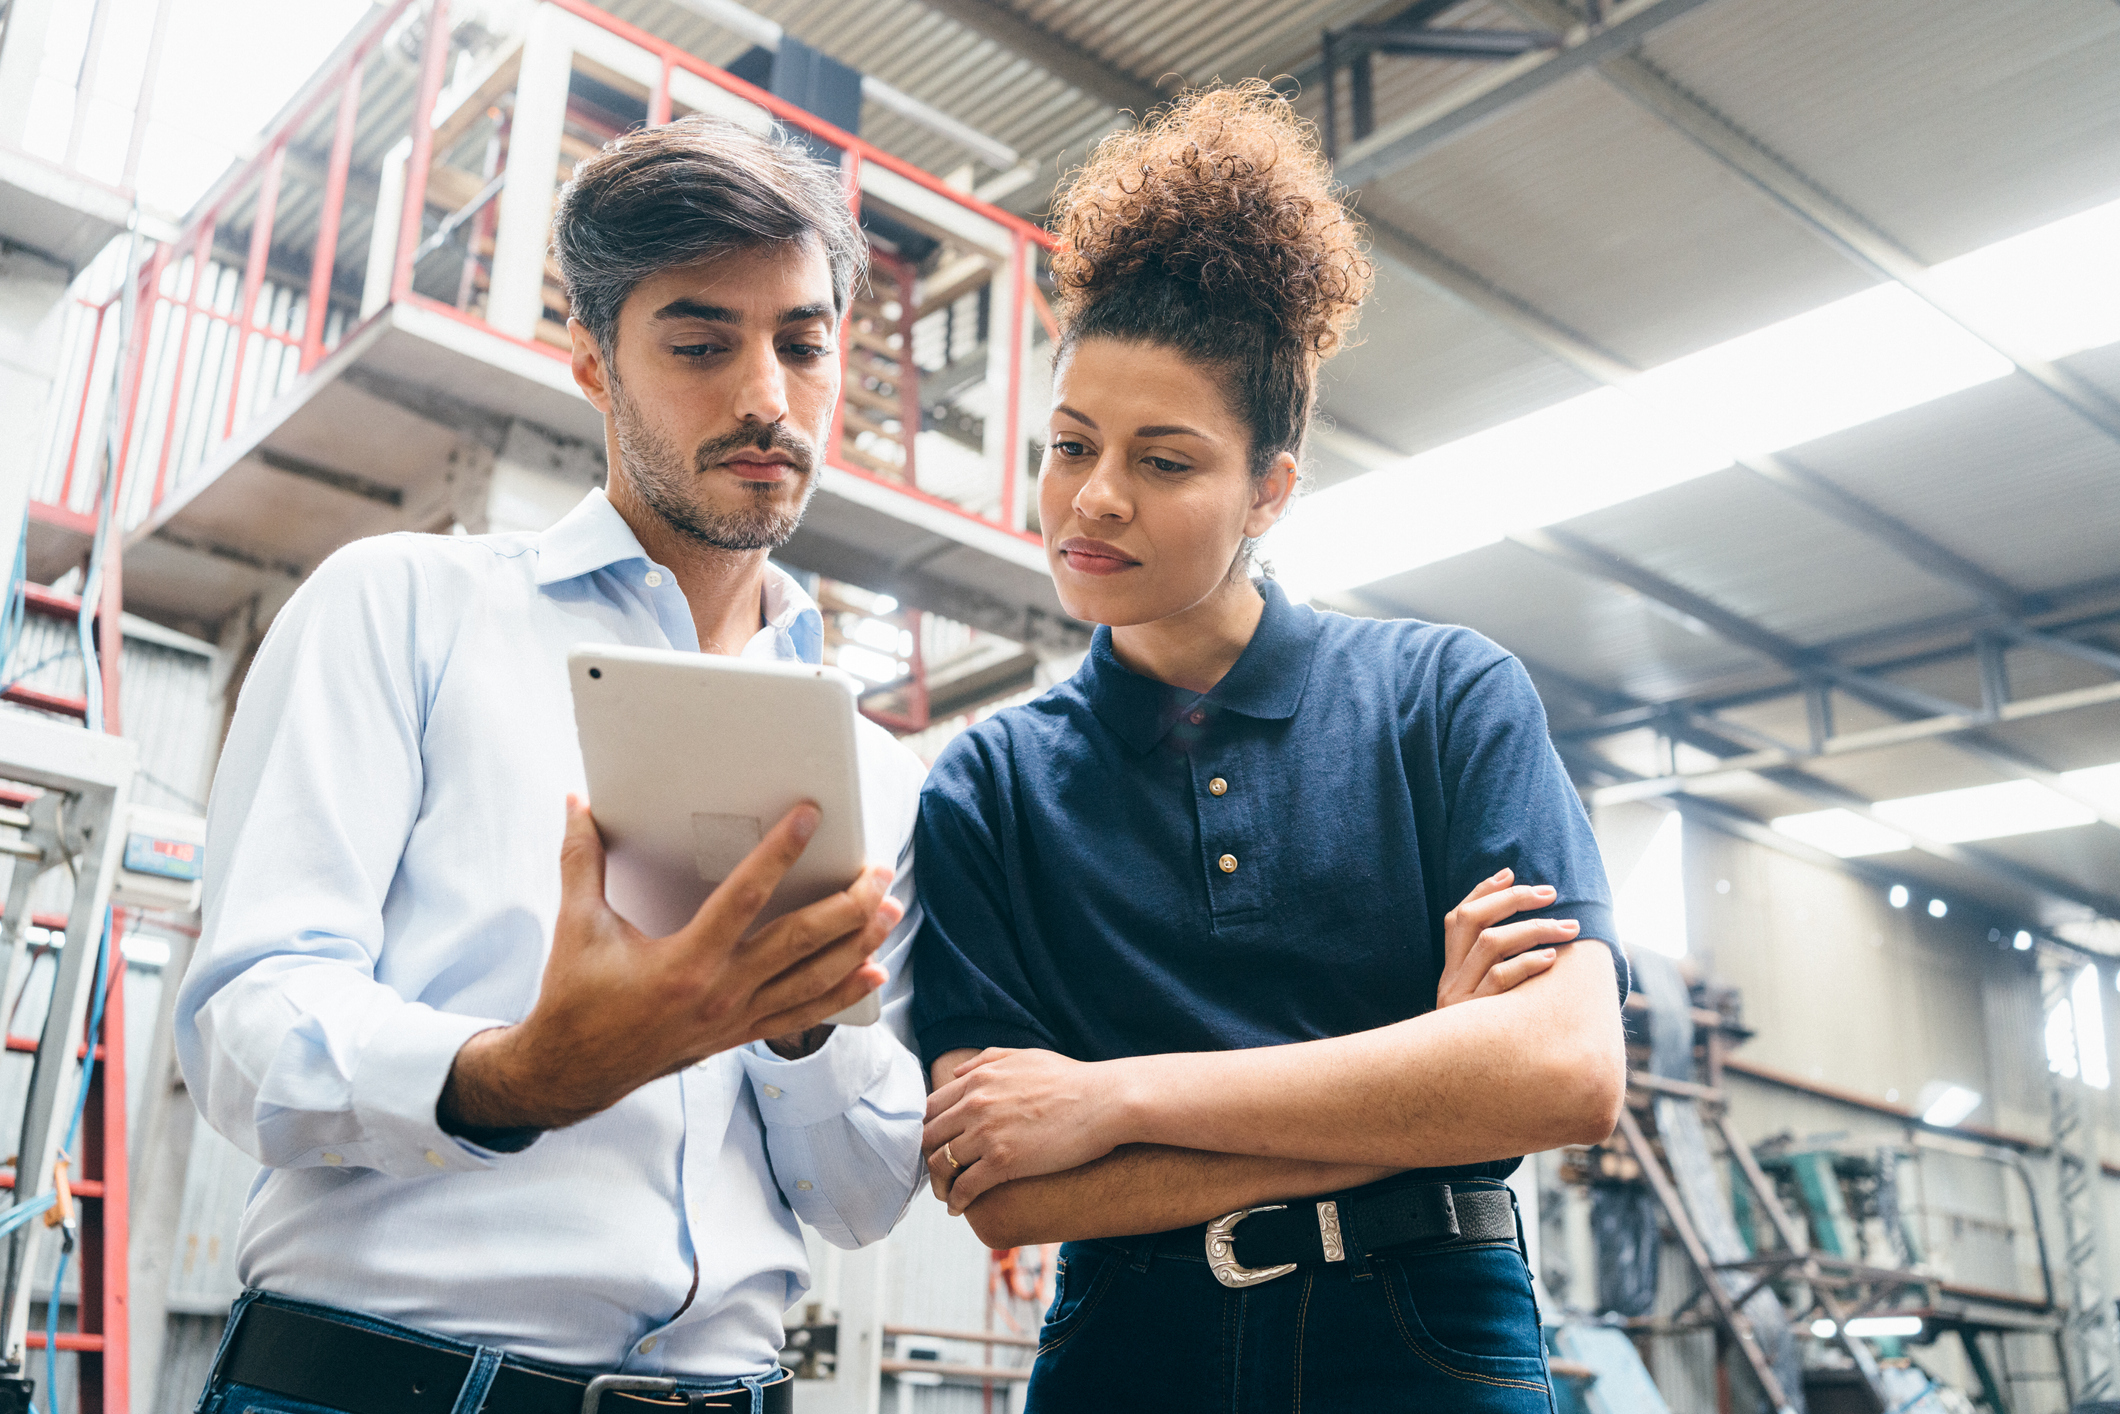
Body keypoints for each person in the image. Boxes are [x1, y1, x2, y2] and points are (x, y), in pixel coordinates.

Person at [176, 116, 926, 1414]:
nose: (766, 398)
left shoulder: (874, 769)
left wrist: (803, 1029)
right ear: (589, 355)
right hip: (381, 1387)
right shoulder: (404, 608)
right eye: (701, 343)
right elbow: (246, 1032)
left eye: (803, 345)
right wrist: (512, 1074)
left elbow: (860, 1199)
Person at [910, 85, 1629, 1411]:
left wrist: (1117, 1098)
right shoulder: (986, 786)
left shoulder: (1444, 699)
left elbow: (1567, 1073)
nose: (1095, 497)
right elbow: (1005, 1183)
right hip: (1131, 1345)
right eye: (1071, 444)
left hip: (1430, 1337)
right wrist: (1425, 1079)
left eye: (1166, 461)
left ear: (1271, 488)